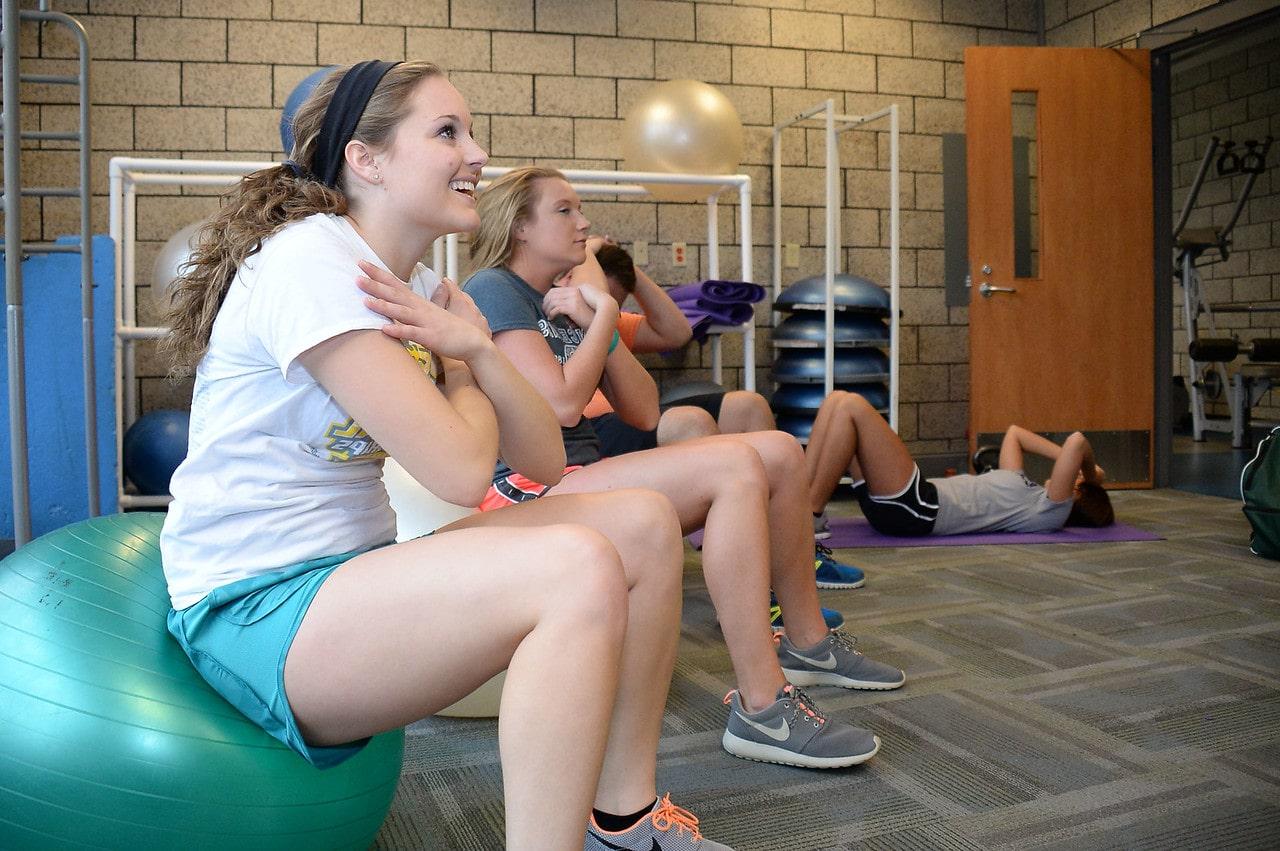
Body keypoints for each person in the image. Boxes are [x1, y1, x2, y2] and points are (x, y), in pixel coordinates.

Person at [159, 60, 732, 850]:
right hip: (257, 611)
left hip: (348, 576)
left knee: (643, 521)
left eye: (471, 130)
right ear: (367, 159)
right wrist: (464, 365)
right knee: (574, 566)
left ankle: (624, 818)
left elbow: (540, 463)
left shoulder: (422, 282)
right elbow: (464, 473)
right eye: (447, 132)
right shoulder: (309, 264)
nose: (478, 152)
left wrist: (479, 354)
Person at [462, 166, 906, 772]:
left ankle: (809, 644)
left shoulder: (562, 298)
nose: (584, 222)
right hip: (529, 489)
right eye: (565, 210)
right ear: (518, 226)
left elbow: (643, 409)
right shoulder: (494, 289)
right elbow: (562, 402)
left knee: (775, 449)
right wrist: (596, 319)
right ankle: (763, 705)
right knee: (734, 467)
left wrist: (600, 319)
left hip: (581, 474)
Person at [578, 243, 865, 594]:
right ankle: (750, 587)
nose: (616, 307)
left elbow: (677, 333)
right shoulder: (555, 313)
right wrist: (586, 258)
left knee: (750, 406)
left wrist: (628, 271)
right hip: (589, 428)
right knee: (693, 423)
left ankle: (791, 553)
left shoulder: (607, 314)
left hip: (625, 417)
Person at [803, 392, 1115, 536]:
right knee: (836, 401)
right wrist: (1081, 475)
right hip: (905, 505)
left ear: (1075, 496)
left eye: (1073, 482)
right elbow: (1015, 434)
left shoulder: (1050, 512)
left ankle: (809, 517)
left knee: (852, 406)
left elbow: (1076, 441)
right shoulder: (1023, 487)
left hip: (918, 509)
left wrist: (1090, 472)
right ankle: (799, 506)